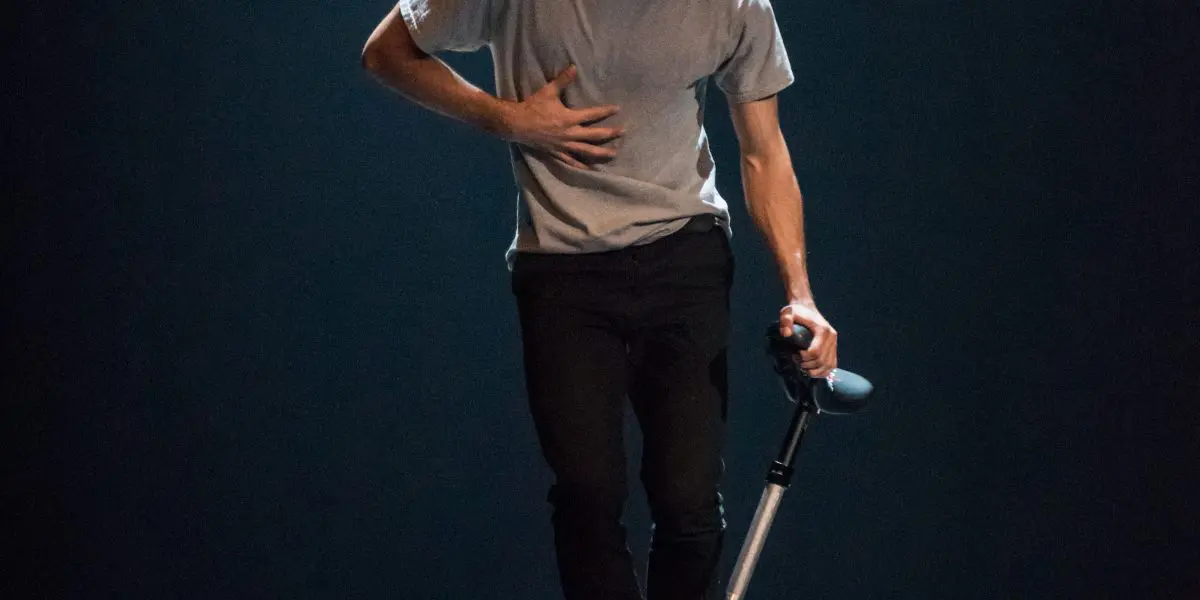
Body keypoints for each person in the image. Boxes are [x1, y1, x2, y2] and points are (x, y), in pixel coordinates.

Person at [362, 1, 837, 598]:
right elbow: (387, 51)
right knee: (588, 494)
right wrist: (508, 119)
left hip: (683, 256)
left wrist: (803, 296)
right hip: (563, 267)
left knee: (688, 500)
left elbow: (764, 151)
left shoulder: (734, 5)